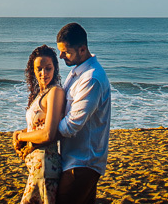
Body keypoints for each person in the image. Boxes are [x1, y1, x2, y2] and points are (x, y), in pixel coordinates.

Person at [54, 22, 111, 204]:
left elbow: (71, 125)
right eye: (60, 51)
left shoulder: (91, 79)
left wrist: (44, 134)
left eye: (66, 52)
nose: (61, 56)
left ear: (82, 49)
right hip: (75, 159)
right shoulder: (77, 72)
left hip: (82, 162)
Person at [13, 44, 65, 204]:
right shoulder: (41, 94)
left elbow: (49, 133)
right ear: (33, 71)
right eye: (39, 69)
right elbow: (37, 128)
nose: (43, 73)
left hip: (45, 166)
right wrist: (21, 134)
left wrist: (21, 136)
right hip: (37, 166)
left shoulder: (55, 92)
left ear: (55, 68)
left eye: (48, 68)